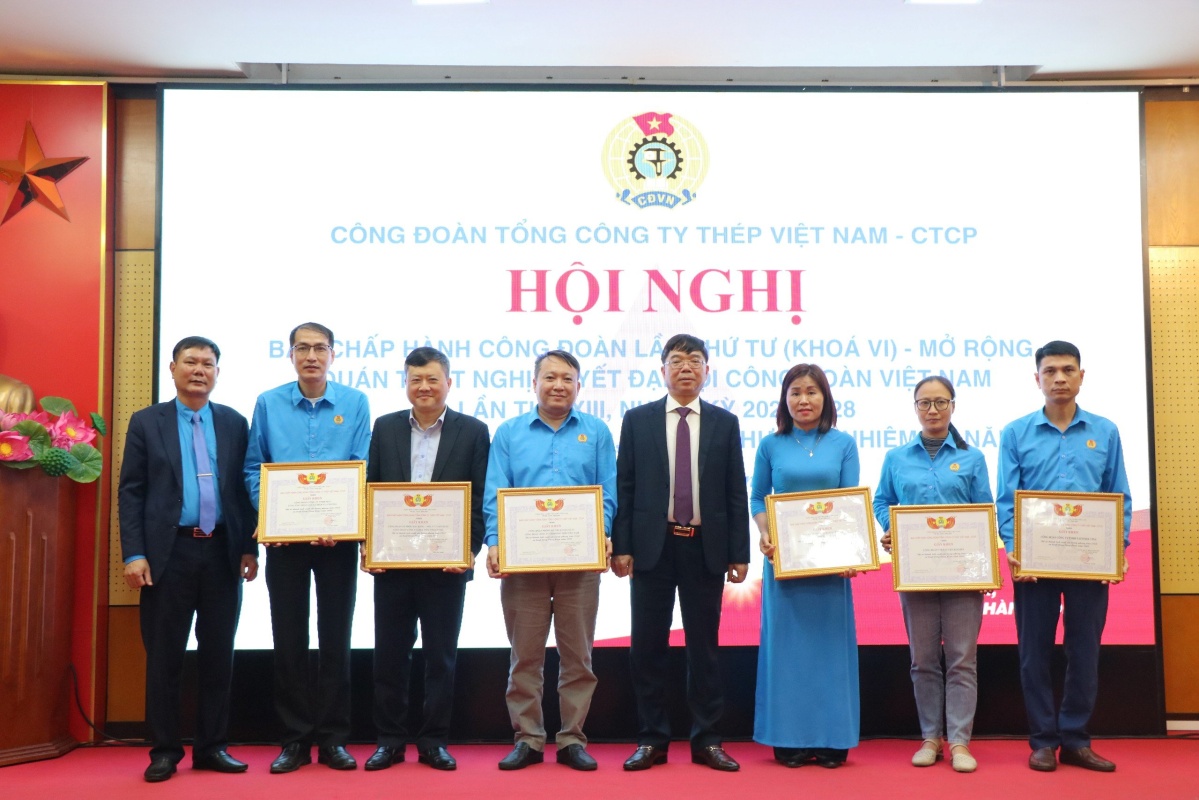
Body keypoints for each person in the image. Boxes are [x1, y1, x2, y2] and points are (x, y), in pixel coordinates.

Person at [118, 336, 258, 782]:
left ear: (217, 372)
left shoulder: (234, 422)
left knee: (219, 656)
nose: (199, 370)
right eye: (191, 362)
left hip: (221, 552)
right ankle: (164, 751)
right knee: (165, 658)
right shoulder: (147, 422)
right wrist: (135, 553)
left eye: (208, 364)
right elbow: (131, 491)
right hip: (168, 554)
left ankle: (212, 747)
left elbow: (244, 490)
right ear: (173, 368)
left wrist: (249, 547)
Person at [612, 333, 749, 772]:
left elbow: (735, 490)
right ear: (662, 370)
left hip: (705, 548)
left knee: (704, 648)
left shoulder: (725, 423)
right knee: (646, 646)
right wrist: (622, 546)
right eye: (676, 360)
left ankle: (707, 739)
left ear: (707, 370)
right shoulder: (638, 420)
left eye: (694, 360)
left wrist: (739, 552)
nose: (686, 367)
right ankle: (651, 739)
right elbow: (625, 486)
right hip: (652, 548)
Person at [996, 340, 1131, 773]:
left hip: (1089, 563)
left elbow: (1118, 495)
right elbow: (1006, 501)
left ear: (1081, 376)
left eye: (1068, 370)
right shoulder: (1015, 433)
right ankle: (1042, 741)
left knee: (1084, 652)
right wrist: (1014, 549)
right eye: (1050, 371)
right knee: (1033, 654)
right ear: (1036, 378)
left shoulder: (1105, 431)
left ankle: (1075, 739)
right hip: (1033, 565)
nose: (1059, 378)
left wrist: (1117, 549)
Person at [244, 322, 371, 773]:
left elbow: (361, 466)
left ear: (333, 354)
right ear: (291, 355)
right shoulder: (268, 402)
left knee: (336, 639)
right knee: (289, 639)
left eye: (320, 348)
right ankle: (294, 740)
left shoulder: (355, 403)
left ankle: (334, 739)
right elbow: (254, 468)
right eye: (303, 348)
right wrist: (271, 516)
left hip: (337, 541)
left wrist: (345, 519)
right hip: (285, 541)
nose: (311, 356)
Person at [482, 349, 616, 772]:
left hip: (579, 564)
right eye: (550, 377)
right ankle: (528, 738)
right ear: (534, 383)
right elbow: (495, 492)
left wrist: (602, 534)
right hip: (523, 564)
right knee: (525, 657)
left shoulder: (596, 432)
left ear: (579, 385)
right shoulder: (509, 433)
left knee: (579, 658)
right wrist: (494, 541)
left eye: (567, 379)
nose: (558, 385)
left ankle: (572, 739)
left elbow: (607, 492)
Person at [360, 347, 490, 772]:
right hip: (393, 564)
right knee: (389, 656)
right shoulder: (385, 427)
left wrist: (469, 550)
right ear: (406, 384)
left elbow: (478, 499)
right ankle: (390, 740)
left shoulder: (473, 431)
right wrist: (368, 545)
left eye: (433, 379)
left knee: (441, 657)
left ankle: (434, 741)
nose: (424, 387)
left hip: (445, 566)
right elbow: (372, 489)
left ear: (448, 383)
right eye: (416, 379)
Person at [872, 376, 993, 773]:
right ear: (915, 408)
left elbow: (984, 511)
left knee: (962, 660)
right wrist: (891, 527)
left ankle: (959, 742)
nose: (933, 410)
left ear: (953, 406)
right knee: (923, 660)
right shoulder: (896, 457)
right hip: (916, 572)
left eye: (941, 402)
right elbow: (882, 500)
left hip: (963, 575)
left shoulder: (973, 458)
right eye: (924, 403)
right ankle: (929, 738)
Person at [750, 363, 861, 768]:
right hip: (785, 565)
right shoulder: (770, 444)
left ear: (825, 397)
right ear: (785, 399)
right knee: (788, 654)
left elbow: (850, 501)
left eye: (812, 391)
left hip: (831, 569)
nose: (803, 400)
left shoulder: (843, 443)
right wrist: (765, 533)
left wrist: (852, 552)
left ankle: (833, 740)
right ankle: (788, 739)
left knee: (830, 653)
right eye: (795, 392)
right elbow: (758, 496)